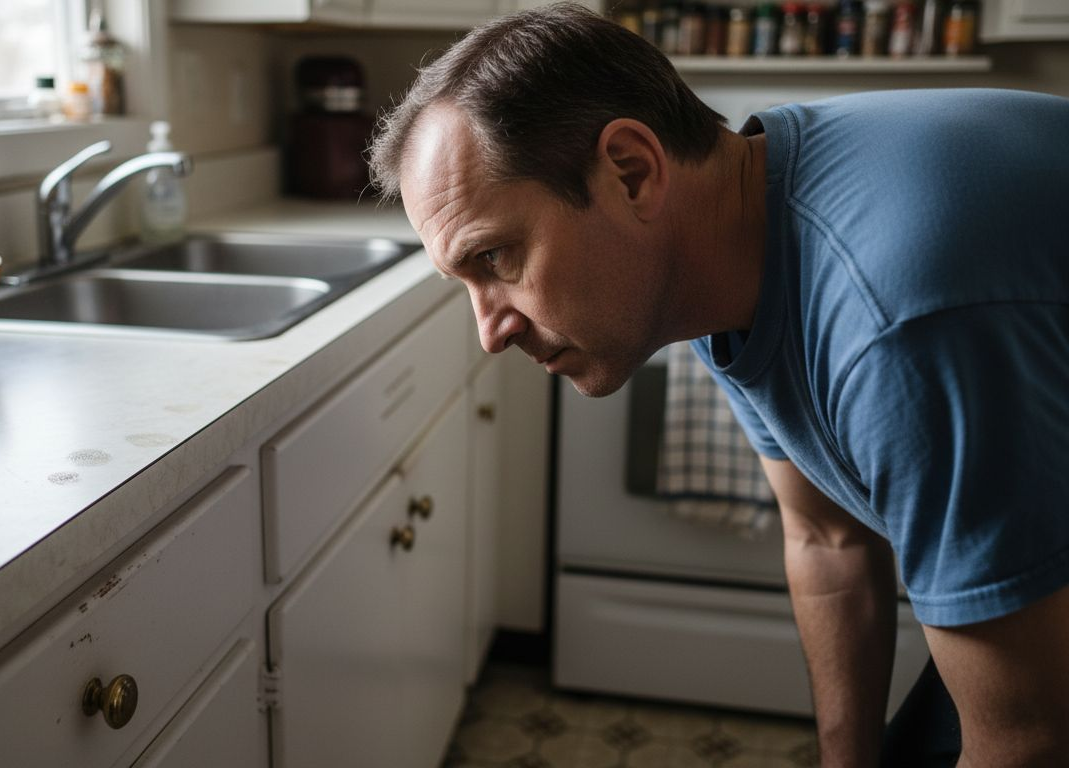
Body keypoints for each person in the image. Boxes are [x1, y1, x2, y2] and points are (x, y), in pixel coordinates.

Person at [367, 3, 1069, 766]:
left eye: (496, 258)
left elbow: (1030, 739)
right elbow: (826, 537)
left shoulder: (893, 323)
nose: (490, 332)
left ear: (630, 171)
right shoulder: (722, 240)